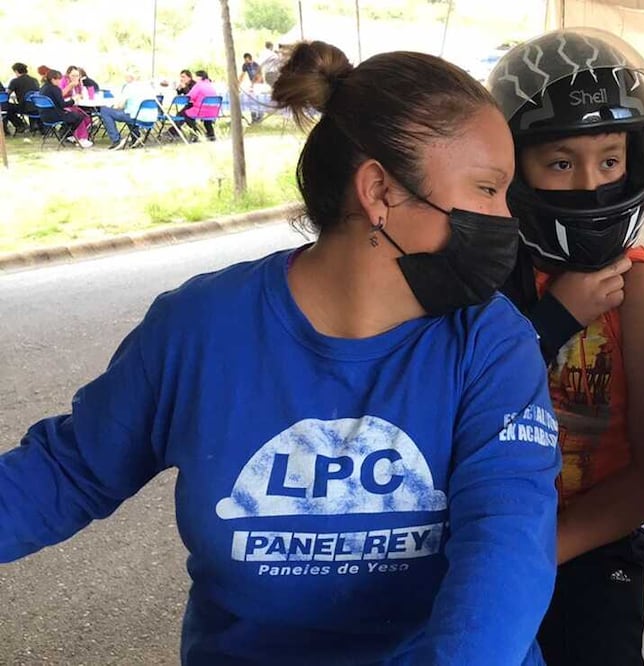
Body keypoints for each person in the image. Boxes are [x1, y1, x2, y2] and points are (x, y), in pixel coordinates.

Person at [0, 40, 560, 665]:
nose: (505, 218)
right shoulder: (201, 330)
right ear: (379, 191)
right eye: (487, 189)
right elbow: (68, 472)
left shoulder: (491, 343)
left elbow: (506, 547)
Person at [490, 28, 644, 666]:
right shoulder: (487, 276)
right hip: (488, 525)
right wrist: (553, 318)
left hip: (602, 536)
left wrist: (538, 548)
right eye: (559, 163)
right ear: (513, 165)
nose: (590, 185)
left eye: (609, 160)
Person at [99, 71, 155, 150]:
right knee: (129, 111)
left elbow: (120, 105)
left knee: (105, 110)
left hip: (137, 117)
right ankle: (136, 136)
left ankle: (116, 140)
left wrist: (113, 106)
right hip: (151, 118)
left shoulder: (129, 87)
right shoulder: (149, 87)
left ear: (130, 78)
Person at [38, 69, 92, 148]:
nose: (60, 81)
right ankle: (68, 134)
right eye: (58, 79)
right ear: (53, 79)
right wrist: (73, 100)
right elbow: (63, 104)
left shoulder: (43, 88)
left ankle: (67, 134)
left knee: (74, 115)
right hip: (55, 116)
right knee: (80, 116)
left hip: (44, 116)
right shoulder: (55, 89)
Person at [181, 70, 217, 141]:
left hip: (201, 110)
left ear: (200, 77)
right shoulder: (210, 84)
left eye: (195, 77)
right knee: (207, 120)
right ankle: (211, 134)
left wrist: (184, 88)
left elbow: (190, 96)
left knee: (184, 114)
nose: (194, 78)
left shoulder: (198, 85)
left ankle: (196, 133)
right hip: (213, 111)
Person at [7, 62, 40, 134]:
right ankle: (34, 125)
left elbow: (7, 94)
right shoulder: (34, 80)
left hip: (24, 107)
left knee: (7, 108)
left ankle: (21, 125)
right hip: (37, 106)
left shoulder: (15, 81)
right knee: (29, 105)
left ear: (16, 71)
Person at [239, 53, 265, 123]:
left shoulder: (256, 65)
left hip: (259, 84)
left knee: (259, 101)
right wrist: (238, 84)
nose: (245, 62)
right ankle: (254, 118)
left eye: (247, 60)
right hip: (252, 84)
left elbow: (260, 77)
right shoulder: (245, 65)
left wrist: (253, 85)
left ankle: (259, 118)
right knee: (251, 100)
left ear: (250, 59)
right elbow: (242, 75)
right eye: (245, 60)